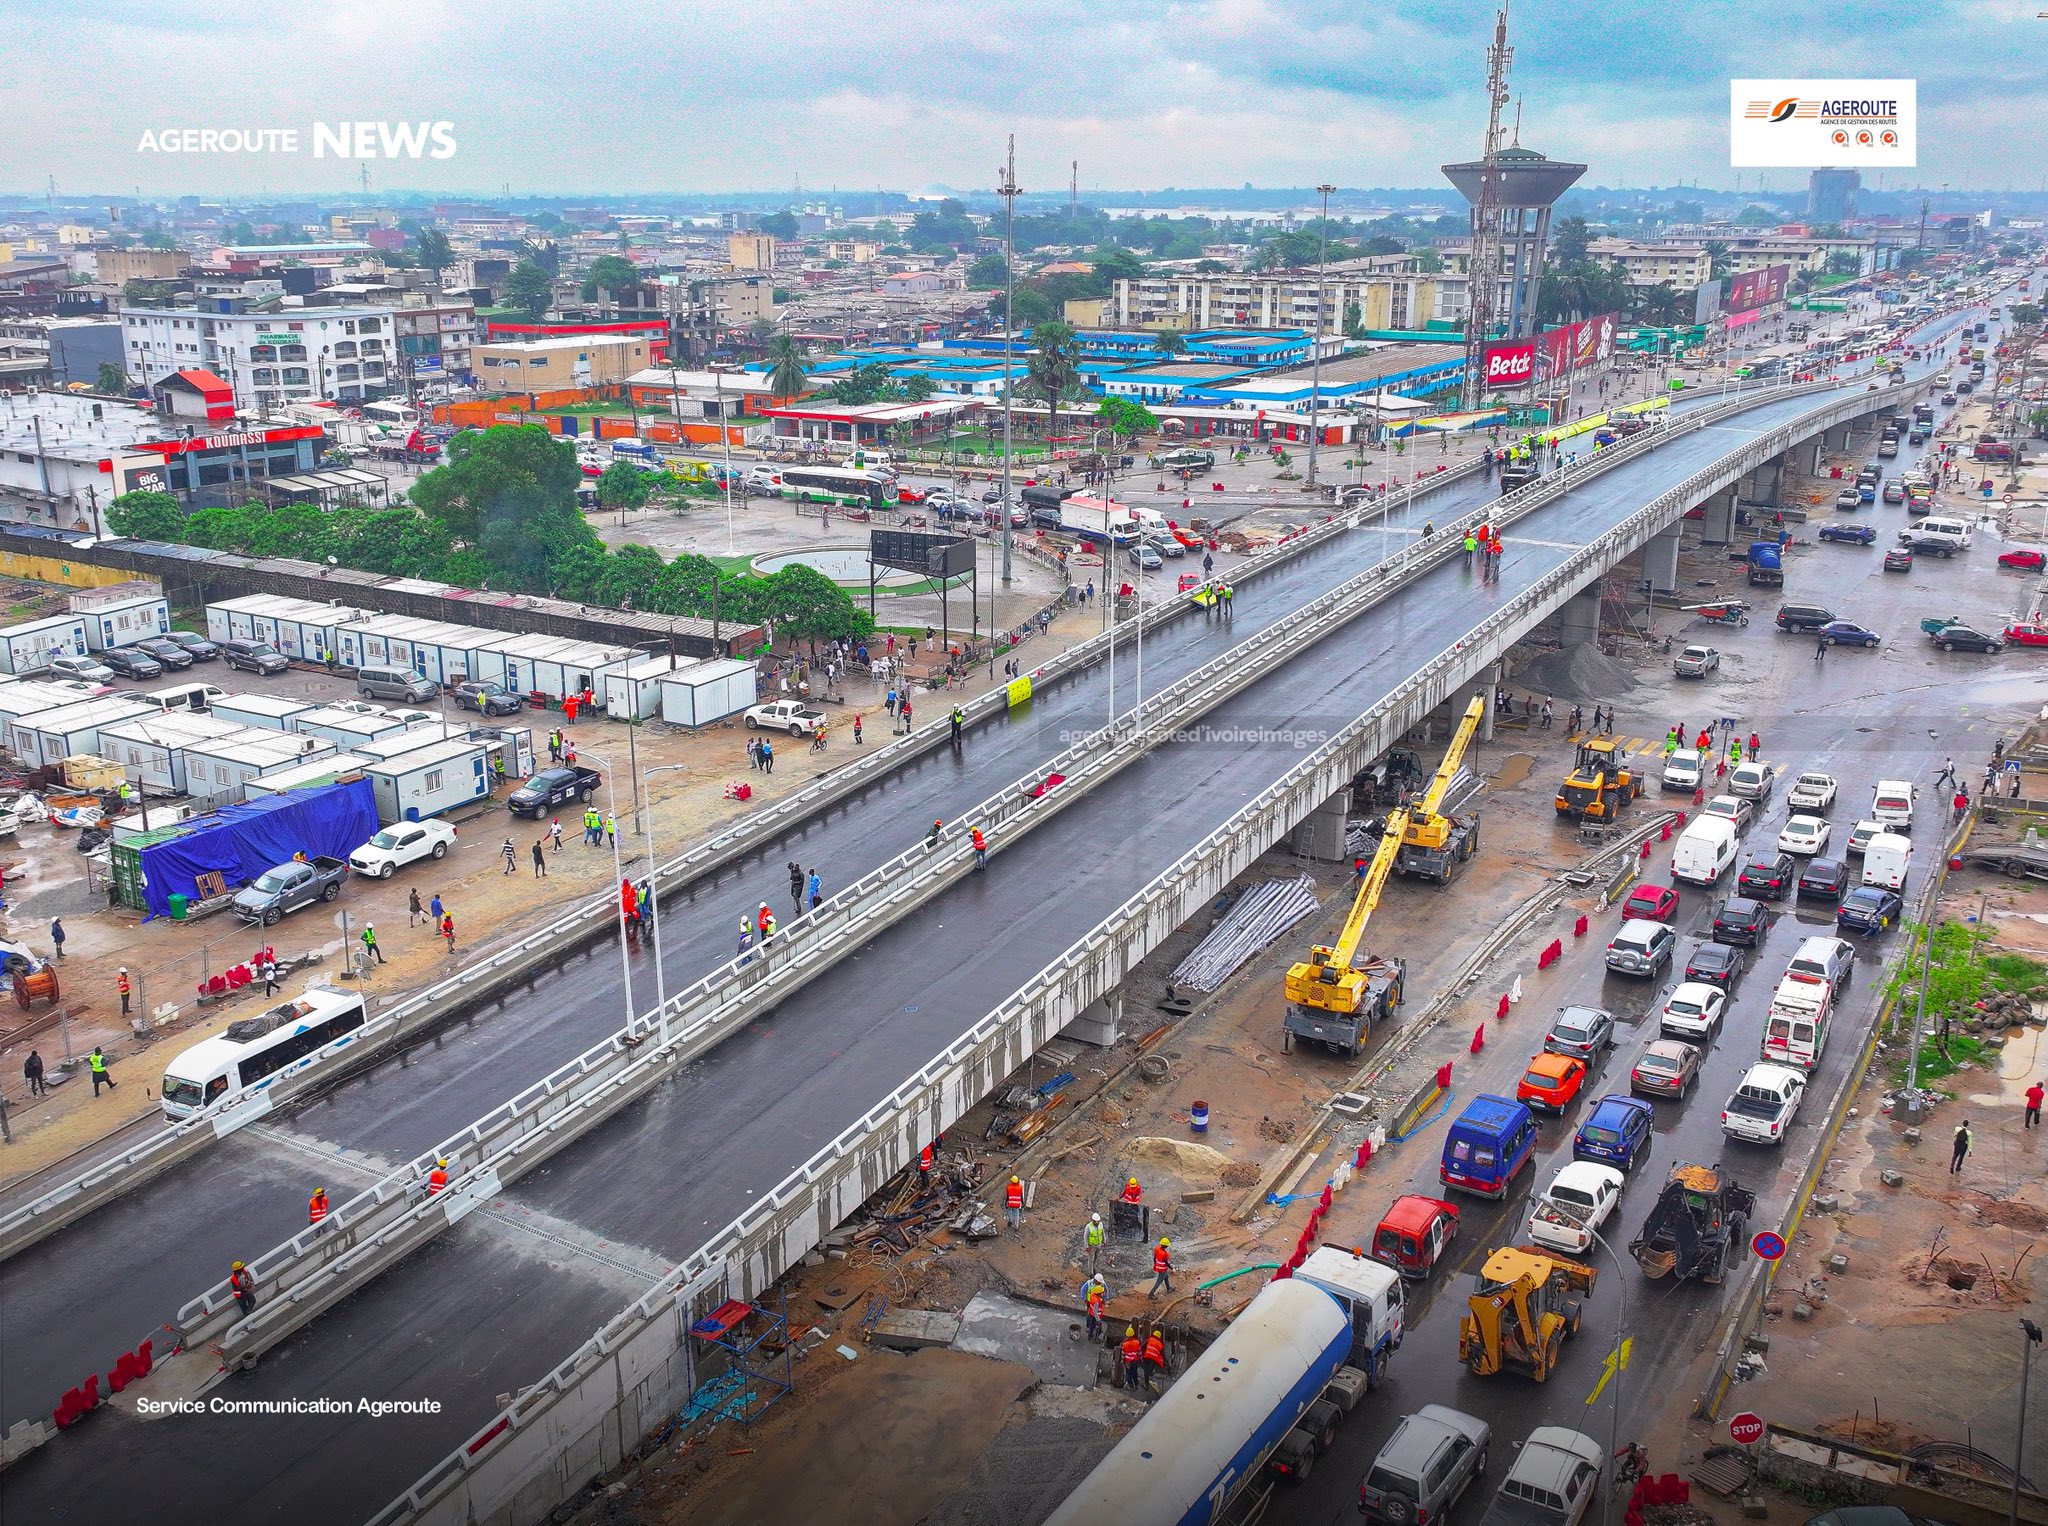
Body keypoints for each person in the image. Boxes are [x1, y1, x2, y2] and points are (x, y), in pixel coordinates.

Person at [1083, 1275, 1106, 1341]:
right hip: (1095, 1316)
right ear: (1098, 1293)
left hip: (1091, 1313)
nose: (1102, 1293)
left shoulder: (1093, 1295)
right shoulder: (1096, 1301)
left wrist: (1101, 1300)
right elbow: (1095, 1312)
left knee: (1092, 1324)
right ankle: (1091, 1336)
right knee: (1093, 1325)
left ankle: (1091, 1334)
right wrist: (1098, 1320)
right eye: (1101, 1292)